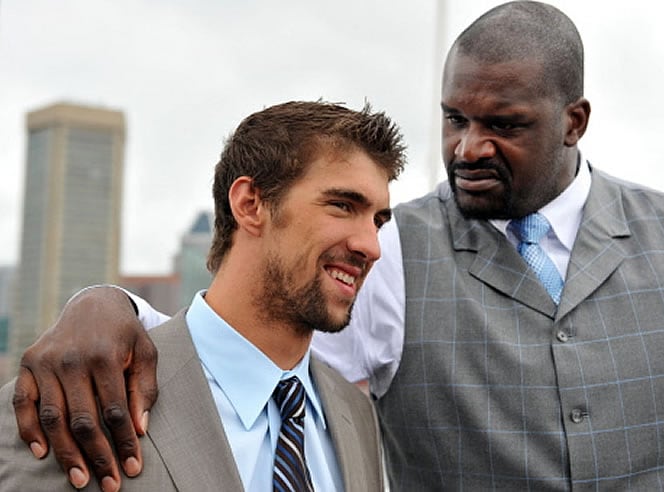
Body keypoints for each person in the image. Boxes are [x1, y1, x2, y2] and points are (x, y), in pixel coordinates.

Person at [9, 1, 664, 490]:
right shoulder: (403, 247)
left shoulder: (661, 232)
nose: (468, 148)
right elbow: (244, 346)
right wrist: (108, 303)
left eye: (503, 125)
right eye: (454, 119)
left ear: (574, 122)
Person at [0, 100, 407, 491]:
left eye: (378, 220)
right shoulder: (78, 393)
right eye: (341, 205)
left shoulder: (357, 415)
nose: (371, 246)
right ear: (250, 204)